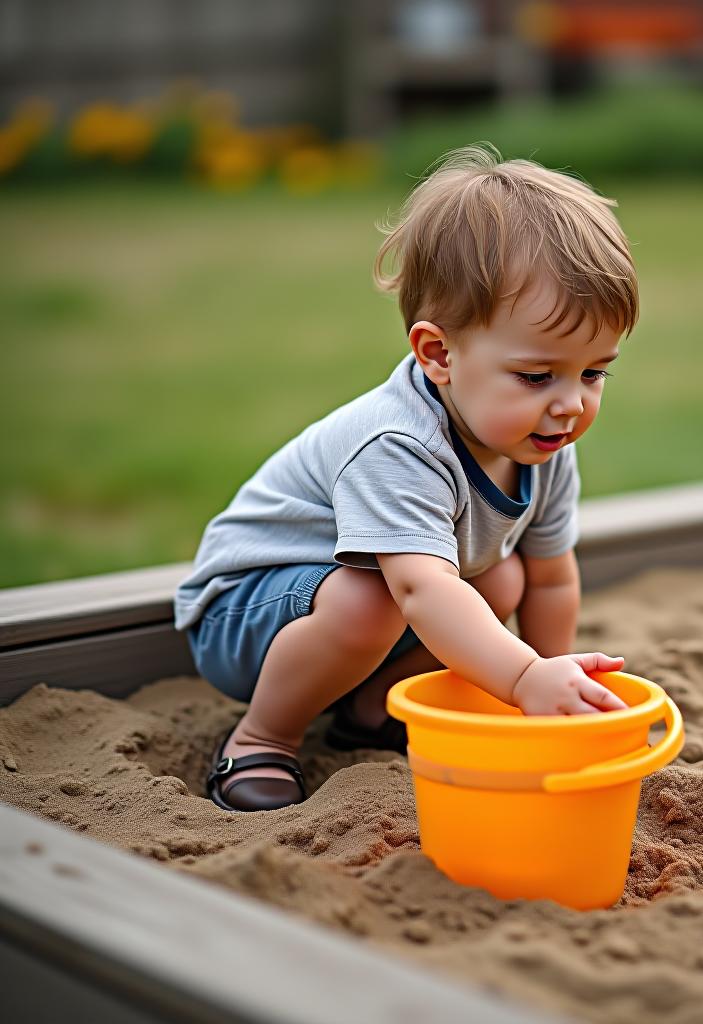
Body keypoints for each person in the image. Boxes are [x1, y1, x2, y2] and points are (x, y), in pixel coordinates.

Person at [174, 143, 639, 812]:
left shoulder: (543, 441)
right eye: (538, 375)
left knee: (502, 576)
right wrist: (523, 675)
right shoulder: (398, 444)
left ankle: (368, 712)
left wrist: (549, 690)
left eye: (593, 372)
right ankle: (261, 739)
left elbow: (552, 577)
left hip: (360, 616)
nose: (570, 403)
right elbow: (420, 590)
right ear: (439, 353)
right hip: (245, 617)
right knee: (379, 598)